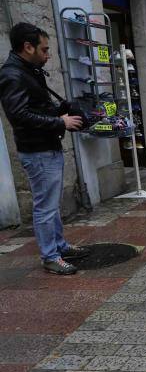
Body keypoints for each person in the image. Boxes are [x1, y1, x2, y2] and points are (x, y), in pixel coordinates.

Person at [0, 23, 88, 275]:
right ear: (27, 47)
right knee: (45, 207)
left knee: (51, 204)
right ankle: (50, 256)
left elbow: (35, 108)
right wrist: (60, 121)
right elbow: (19, 116)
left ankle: (59, 246)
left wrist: (60, 110)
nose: (48, 55)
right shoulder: (12, 75)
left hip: (45, 146)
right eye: (44, 49)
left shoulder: (28, 70)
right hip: (37, 151)